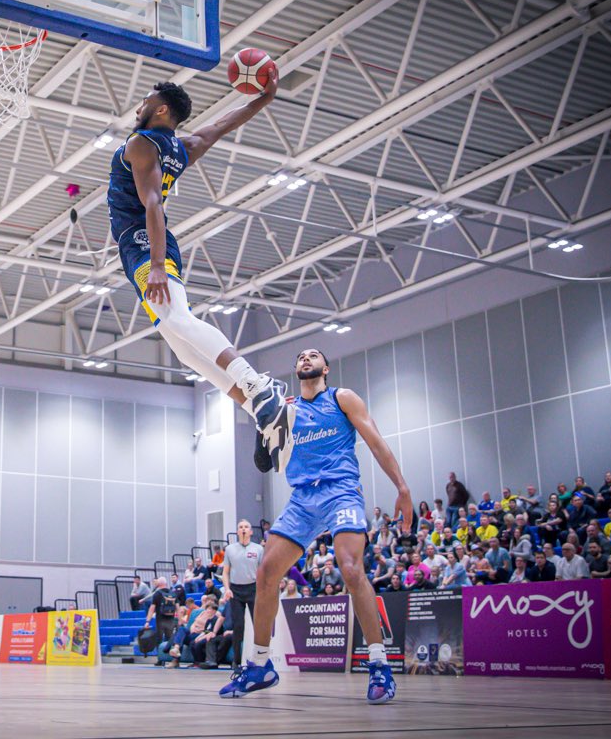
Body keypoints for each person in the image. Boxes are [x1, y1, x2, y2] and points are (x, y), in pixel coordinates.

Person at [107, 75, 294, 470]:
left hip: (144, 243)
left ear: (160, 110)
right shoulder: (182, 146)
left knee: (178, 319)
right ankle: (260, 414)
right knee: (183, 349)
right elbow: (224, 123)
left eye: (145, 100)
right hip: (143, 245)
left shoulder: (140, 144)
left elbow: (153, 202)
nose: (139, 105)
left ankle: (259, 386)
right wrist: (264, 98)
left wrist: (156, 264)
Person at [220, 347, 412, 704]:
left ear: (326, 366)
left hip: (340, 490)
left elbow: (374, 440)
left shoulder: (343, 398)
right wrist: (255, 407)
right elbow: (255, 434)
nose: (306, 359)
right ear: (295, 369)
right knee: (266, 573)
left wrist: (401, 487)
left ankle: (379, 664)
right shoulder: (287, 409)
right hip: (302, 498)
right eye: (301, 357)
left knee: (352, 570)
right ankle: (261, 666)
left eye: (314, 355)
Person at [220, 519, 262, 670]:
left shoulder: (258, 549)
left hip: (253, 589)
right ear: (237, 531)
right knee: (238, 626)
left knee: (257, 625)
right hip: (235, 591)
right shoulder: (230, 549)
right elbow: (225, 572)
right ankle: (236, 661)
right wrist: (227, 588)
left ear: (251, 531)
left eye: (246, 527)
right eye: (240, 527)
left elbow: (262, 572)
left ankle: (260, 659)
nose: (243, 529)